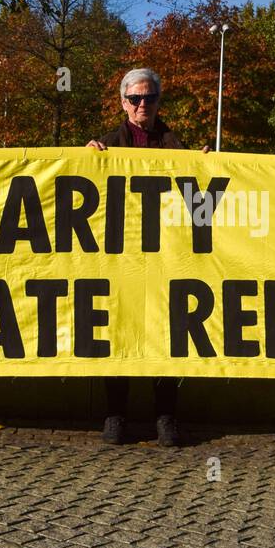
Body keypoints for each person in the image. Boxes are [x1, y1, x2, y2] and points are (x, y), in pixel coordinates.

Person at [86, 67, 210, 446]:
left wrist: (206, 170)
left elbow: (198, 209)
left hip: (165, 260)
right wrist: (84, 160)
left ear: (158, 102)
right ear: (123, 103)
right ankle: (115, 415)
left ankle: (165, 417)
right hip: (120, 259)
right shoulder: (105, 146)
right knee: (117, 332)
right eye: (135, 98)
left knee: (167, 335)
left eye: (149, 98)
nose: (143, 104)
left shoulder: (177, 147)